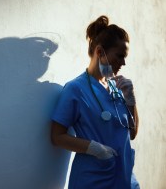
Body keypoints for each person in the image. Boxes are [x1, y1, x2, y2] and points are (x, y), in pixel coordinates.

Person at [51, 15, 140, 188]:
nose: (123, 63)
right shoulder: (75, 89)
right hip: (93, 180)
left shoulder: (117, 87)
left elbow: (132, 133)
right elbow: (56, 136)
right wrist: (93, 148)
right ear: (100, 52)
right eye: (120, 56)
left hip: (125, 179)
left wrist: (131, 99)